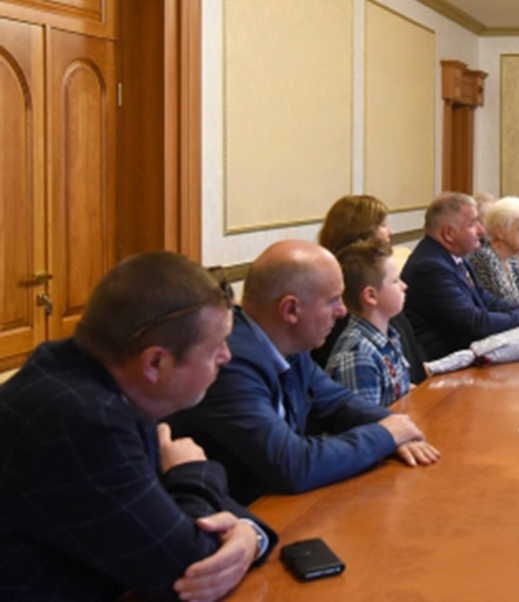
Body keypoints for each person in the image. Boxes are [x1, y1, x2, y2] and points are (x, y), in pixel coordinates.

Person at [0, 252, 276, 602]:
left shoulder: (93, 375)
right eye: (215, 347)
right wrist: (192, 471)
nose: (227, 356)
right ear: (155, 362)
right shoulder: (84, 422)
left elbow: (180, 520)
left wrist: (249, 534)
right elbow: (189, 572)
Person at [167, 240, 439, 505]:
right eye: (333, 301)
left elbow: (338, 403)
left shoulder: (291, 346)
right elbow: (293, 465)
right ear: (290, 309)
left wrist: (394, 426)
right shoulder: (230, 364)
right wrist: (385, 436)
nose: (342, 311)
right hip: (238, 514)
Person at [402, 193, 519, 360]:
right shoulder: (430, 267)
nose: (481, 230)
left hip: (469, 352)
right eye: (472, 224)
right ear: (448, 233)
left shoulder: (455, 257)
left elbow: (487, 301)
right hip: (446, 363)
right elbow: (474, 323)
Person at [312, 195, 428, 382]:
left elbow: (410, 348)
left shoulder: (382, 287)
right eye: (383, 225)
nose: (391, 232)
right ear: (360, 231)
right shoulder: (346, 290)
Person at [325, 238, 414, 407]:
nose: (404, 286)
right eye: (396, 281)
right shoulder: (359, 355)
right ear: (371, 296)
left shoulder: (389, 337)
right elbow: (367, 421)